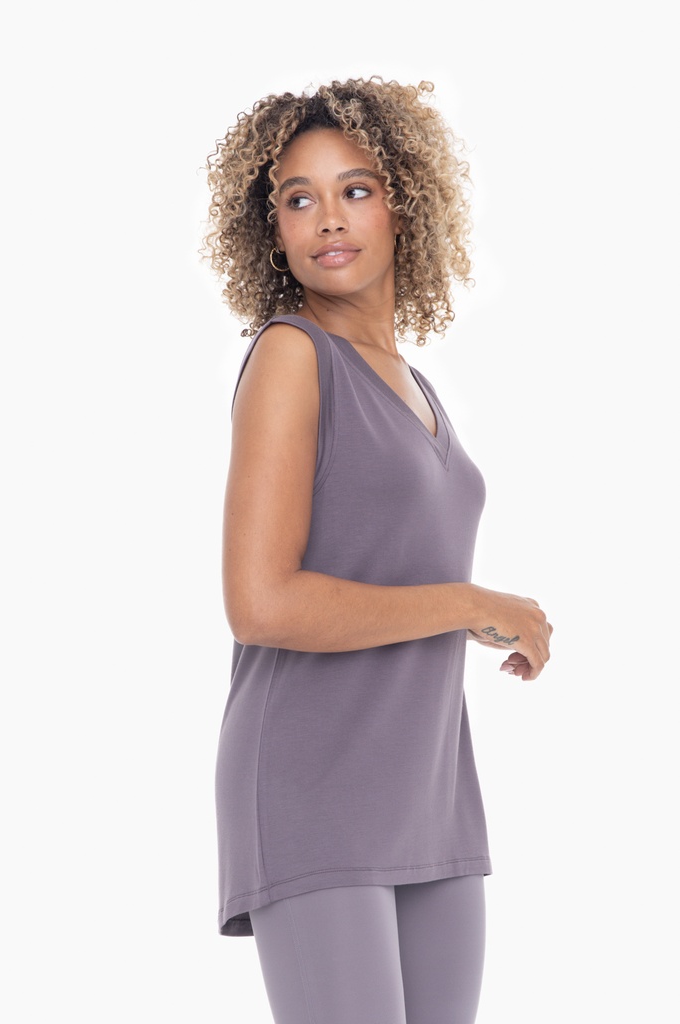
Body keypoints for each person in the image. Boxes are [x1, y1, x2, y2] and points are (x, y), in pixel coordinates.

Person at [200, 77, 552, 1024]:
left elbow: (382, 565)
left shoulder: (416, 385)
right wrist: (472, 603)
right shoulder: (291, 355)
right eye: (298, 198)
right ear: (271, 229)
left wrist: (474, 611)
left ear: (405, 204)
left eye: (355, 189)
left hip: (430, 785)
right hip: (312, 780)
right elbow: (260, 602)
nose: (328, 218)